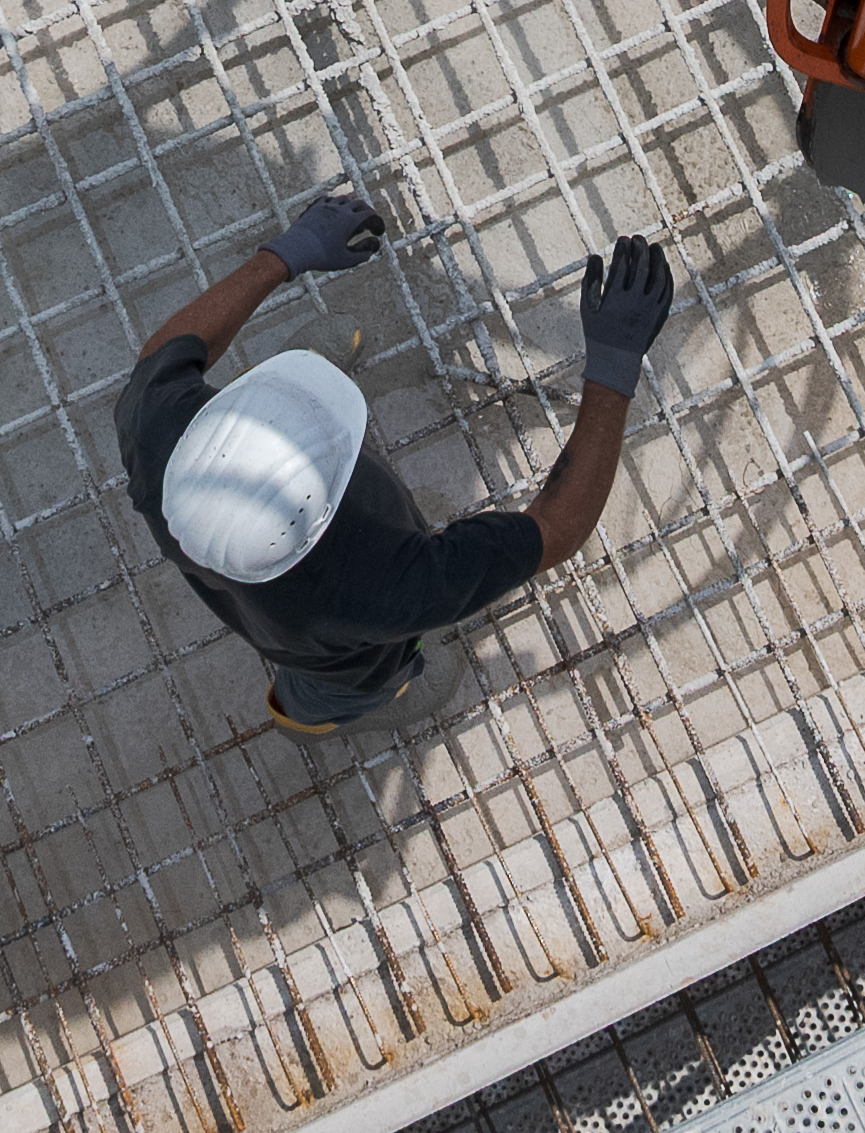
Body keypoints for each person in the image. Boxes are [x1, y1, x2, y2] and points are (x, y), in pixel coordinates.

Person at [114, 187, 678, 736]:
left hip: (249, 590)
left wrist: (280, 258)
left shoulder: (159, 439)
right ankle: (316, 718)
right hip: (335, 660)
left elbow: (162, 358)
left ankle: (300, 376)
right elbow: (554, 530)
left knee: (274, 416)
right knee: (341, 686)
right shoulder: (385, 588)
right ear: (322, 514)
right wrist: (612, 369)